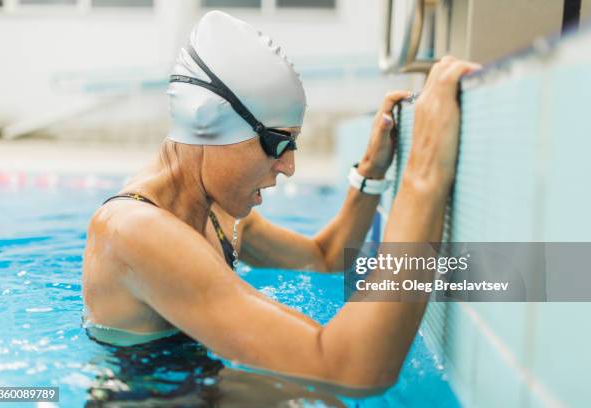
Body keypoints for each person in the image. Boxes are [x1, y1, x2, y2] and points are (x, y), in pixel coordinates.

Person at [82, 10, 481, 389]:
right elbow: (354, 370)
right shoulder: (135, 230)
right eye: (277, 142)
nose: (289, 167)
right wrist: (424, 172)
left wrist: (370, 174)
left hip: (197, 384)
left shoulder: (214, 208)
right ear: (207, 123)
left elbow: (321, 258)